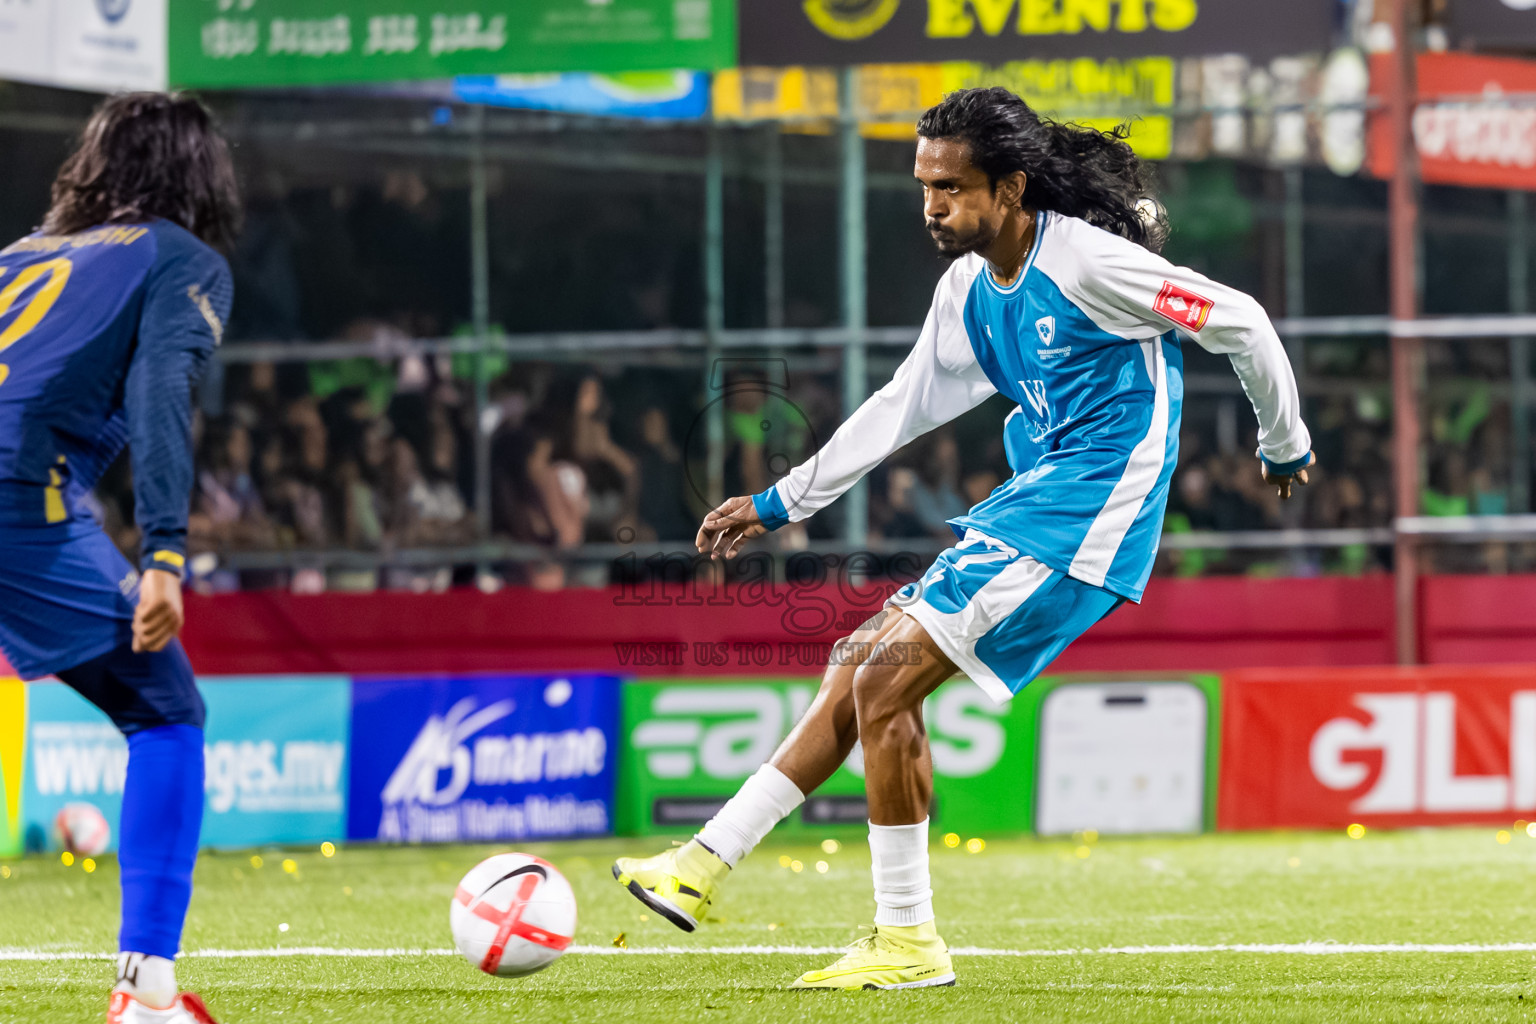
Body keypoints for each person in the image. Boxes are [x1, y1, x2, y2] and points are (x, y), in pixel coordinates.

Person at [612, 87, 1315, 991]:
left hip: (1086, 520)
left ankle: (906, 940)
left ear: (1010, 188)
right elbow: (898, 408)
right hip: (1034, 508)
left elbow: (1242, 321)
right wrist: (782, 501)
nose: (932, 206)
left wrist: (1283, 442)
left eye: (951, 188)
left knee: (883, 677)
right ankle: (700, 865)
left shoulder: (1087, 262)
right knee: (858, 663)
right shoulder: (968, 292)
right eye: (924, 187)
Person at [0, 93, 239, 1023]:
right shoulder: (179, 258)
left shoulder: (19, 254)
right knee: (164, 708)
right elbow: (160, 393)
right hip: (19, 498)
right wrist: (165, 553)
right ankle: (146, 991)